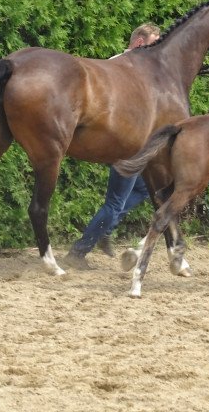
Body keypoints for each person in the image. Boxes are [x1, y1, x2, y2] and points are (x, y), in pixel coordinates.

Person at [64, 24, 160, 269]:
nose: (156, 51)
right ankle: (79, 251)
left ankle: (106, 227)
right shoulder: (125, 67)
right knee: (114, 204)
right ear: (139, 43)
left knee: (142, 189)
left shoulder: (121, 65)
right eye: (153, 44)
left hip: (127, 145)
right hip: (124, 147)